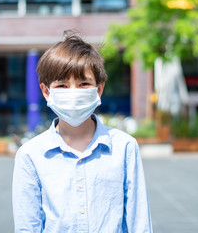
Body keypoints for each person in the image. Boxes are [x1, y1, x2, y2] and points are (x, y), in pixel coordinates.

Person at [12, 30, 153, 233]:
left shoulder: (124, 147)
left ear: (99, 88)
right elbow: (27, 226)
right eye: (62, 85)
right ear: (45, 91)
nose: (73, 93)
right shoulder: (30, 155)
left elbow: (139, 222)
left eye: (83, 84)